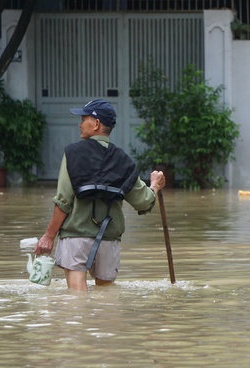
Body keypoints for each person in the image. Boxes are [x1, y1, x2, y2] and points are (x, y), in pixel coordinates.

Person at [34, 99, 166, 291]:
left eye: (83, 118)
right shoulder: (123, 161)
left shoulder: (72, 153)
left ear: (96, 124)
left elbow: (63, 201)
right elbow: (144, 202)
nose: (80, 123)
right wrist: (154, 186)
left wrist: (48, 236)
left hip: (76, 237)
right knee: (106, 299)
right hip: (109, 239)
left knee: (76, 300)